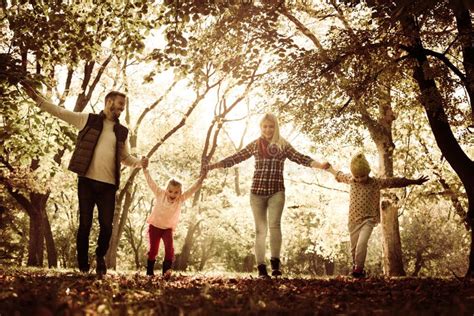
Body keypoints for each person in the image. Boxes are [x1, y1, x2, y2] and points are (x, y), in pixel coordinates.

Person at [22, 83, 148, 276]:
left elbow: (125, 158)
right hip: (87, 182)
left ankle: (100, 257)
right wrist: (37, 99)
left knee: (107, 226)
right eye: (120, 104)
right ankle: (82, 265)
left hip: (108, 185)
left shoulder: (122, 131)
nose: (122, 108)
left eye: (123, 106)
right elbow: (60, 112)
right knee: (85, 224)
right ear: (109, 102)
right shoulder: (87, 120)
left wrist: (140, 162)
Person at [205, 113, 330, 278]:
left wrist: (319, 165)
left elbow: (300, 158)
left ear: (275, 127)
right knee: (260, 231)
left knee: (274, 226)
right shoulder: (256, 145)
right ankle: (261, 268)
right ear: (260, 127)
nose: (268, 129)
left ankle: (276, 265)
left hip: (276, 192)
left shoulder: (282, 144)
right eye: (265, 126)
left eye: (271, 126)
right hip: (256, 193)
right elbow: (237, 157)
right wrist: (215, 165)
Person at [326, 153, 428, 278]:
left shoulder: (375, 183)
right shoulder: (351, 180)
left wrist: (413, 181)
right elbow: (339, 175)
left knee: (361, 244)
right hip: (353, 220)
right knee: (354, 249)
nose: (359, 179)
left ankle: (358, 269)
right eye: (357, 176)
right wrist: (330, 168)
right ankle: (358, 269)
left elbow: (393, 181)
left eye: (362, 176)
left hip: (368, 220)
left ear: (367, 172)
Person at [143, 166, 206, 277]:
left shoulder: (180, 199)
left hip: (167, 229)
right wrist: (145, 170)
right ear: (166, 189)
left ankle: (166, 272)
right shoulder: (160, 193)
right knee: (153, 250)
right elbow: (151, 183)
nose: (173, 194)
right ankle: (149, 272)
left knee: (169, 249)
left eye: (176, 192)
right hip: (155, 226)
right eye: (170, 191)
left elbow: (192, 190)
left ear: (180, 192)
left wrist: (200, 180)